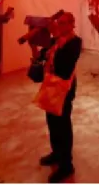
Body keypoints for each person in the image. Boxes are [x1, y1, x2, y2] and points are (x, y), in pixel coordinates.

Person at [37, 12, 82, 183]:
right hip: (51, 86)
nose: (60, 26)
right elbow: (42, 55)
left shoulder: (75, 42)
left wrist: (55, 39)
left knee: (62, 125)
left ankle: (66, 165)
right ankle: (56, 153)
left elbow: (65, 65)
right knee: (51, 121)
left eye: (64, 23)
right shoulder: (55, 41)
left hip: (64, 89)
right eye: (59, 23)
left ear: (72, 24)